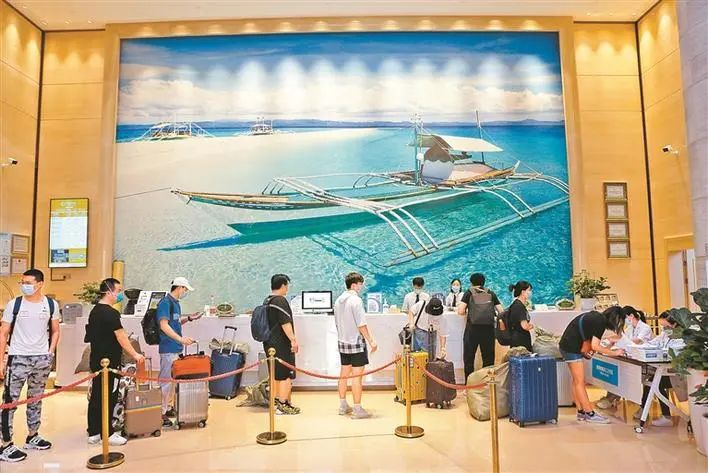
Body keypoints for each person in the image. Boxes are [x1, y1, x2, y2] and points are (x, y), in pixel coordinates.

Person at [0, 269, 59, 463]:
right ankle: (5, 444)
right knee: (10, 402)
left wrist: (50, 351)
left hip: (41, 359)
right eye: (22, 282)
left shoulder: (50, 304)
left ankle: (33, 435)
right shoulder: (14, 304)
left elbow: (55, 330)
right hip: (18, 358)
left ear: (40, 284)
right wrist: (1, 361)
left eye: (28, 282)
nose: (24, 286)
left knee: (36, 399)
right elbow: (3, 333)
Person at [85, 278, 145, 445]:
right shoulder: (111, 313)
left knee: (96, 395)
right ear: (108, 291)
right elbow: (121, 336)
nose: (120, 295)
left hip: (97, 360)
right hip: (109, 363)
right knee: (109, 397)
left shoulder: (95, 311)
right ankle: (108, 433)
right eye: (118, 291)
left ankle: (94, 431)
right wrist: (135, 354)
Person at [558, 307, 626, 424]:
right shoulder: (600, 322)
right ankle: (590, 413)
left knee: (576, 381)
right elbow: (595, 346)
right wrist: (615, 352)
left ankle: (581, 412)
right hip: (572, 348)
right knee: (580, 382)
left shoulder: (596, 318)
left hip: (567, 346)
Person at [156, 277, 203, 427]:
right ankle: (160, 413)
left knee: (173, 381)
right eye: (185, 289)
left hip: (175, 348)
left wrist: (189, 318)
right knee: (165, 381)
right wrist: (181, 339)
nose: (186, 292)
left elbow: (174, 322)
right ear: (179, 287)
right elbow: (164, 325)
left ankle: (167, 407)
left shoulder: (176, 303)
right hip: (168, 348)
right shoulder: (165, 303)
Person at [334, 272, 378, 419]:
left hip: (342, 342)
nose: (361, 287)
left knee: (344, 374)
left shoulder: (338, 300)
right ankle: (357, 409)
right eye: (360, 284)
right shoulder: (356, 301)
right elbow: (361, 324)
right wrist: (371, 341)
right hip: (356, 343)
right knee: (357, 377)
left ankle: (343, 405)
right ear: (354, 285)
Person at [631, 311, 682, 427]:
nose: (664, 329)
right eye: (662, 326)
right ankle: (644, 410)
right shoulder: (665, 334)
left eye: (666, 326)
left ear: (675, 324)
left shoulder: (682, 338)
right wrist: (637, 348)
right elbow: (652, 343)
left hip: (678, 375)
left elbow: (672, 353)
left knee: (655, 382)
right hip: (665, 371)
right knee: (651, 381)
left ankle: (666, 416)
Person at [597, 306, 654, 409]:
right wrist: (611, 340)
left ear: (631, 316)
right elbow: (622, 338)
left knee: (622, 373)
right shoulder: (630, 328)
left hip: (643, 362)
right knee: (616, 369)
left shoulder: (645, 328)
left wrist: (617, 340)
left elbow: (635, 341)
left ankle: (613, 397)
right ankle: (611, 396)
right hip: (630, 357)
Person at [262, 274, 300, 415]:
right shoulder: (280, 301)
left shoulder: (267, 300)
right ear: (283, 285)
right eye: (287, 285)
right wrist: (293, 340)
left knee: (275, 374)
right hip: (281, 344)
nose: (287, 288)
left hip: (269, 343)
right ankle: (283, 405)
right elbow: (285, 323)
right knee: (285, 375)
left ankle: (276, 402)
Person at [457, 273, 504, 381]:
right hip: (488, 330)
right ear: (483, 282)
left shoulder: (469, 293)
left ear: (471, 282)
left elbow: (460, 311)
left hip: (472, 330)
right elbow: (501, 311)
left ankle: (469, 384)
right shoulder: (490, 293)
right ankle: (487, 383)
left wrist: (469, 312)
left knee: (469, 358)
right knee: (488, 358)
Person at [507, 281, 534, 351]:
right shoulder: (519, 306)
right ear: (523, 292)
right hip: (520, 341)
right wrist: (532, 326)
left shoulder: (517, 304)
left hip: (517, 338)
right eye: (529, 290)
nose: (530, 292)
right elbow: (524, 326)